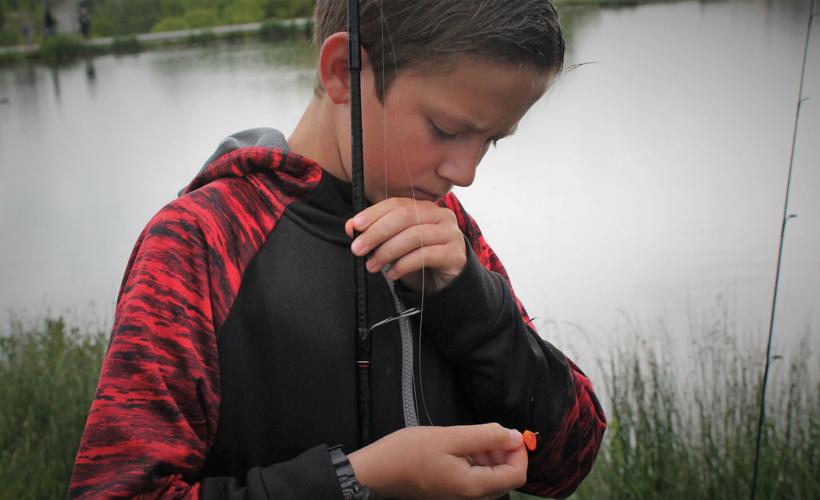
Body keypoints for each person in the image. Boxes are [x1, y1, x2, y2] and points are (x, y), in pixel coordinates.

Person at [69, 1, 606, 498]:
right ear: (341, 71)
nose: (464, 174)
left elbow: (568, 461)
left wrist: (474, 303)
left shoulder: (446, 229)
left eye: (491, 140)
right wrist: (357, 480)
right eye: (445, 129)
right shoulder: (200, 243)